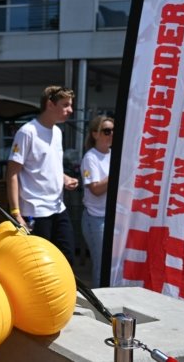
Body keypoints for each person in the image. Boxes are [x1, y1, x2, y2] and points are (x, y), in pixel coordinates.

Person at [6, 86, 79, 264]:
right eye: (66, 105)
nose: (70, 110)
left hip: (58, 207)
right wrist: (16, 213)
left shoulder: (57, 132)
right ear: (50, 104)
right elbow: (11, 174)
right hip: (35, 211)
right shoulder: (27, 132)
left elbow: (49, 166)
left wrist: (65, 178)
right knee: (40, 265)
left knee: (67, 259)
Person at [80, 115, 113, 288]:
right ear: (95, 134)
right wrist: (114, 173)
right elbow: (96, 189)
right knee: (101, 265)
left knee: (110, 265)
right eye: (107, 131)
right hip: (96, 218)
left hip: (113, 217)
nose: (111, 134)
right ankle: (101, 306)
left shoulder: (114, 155)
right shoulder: (90, 158)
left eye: (113, 130)